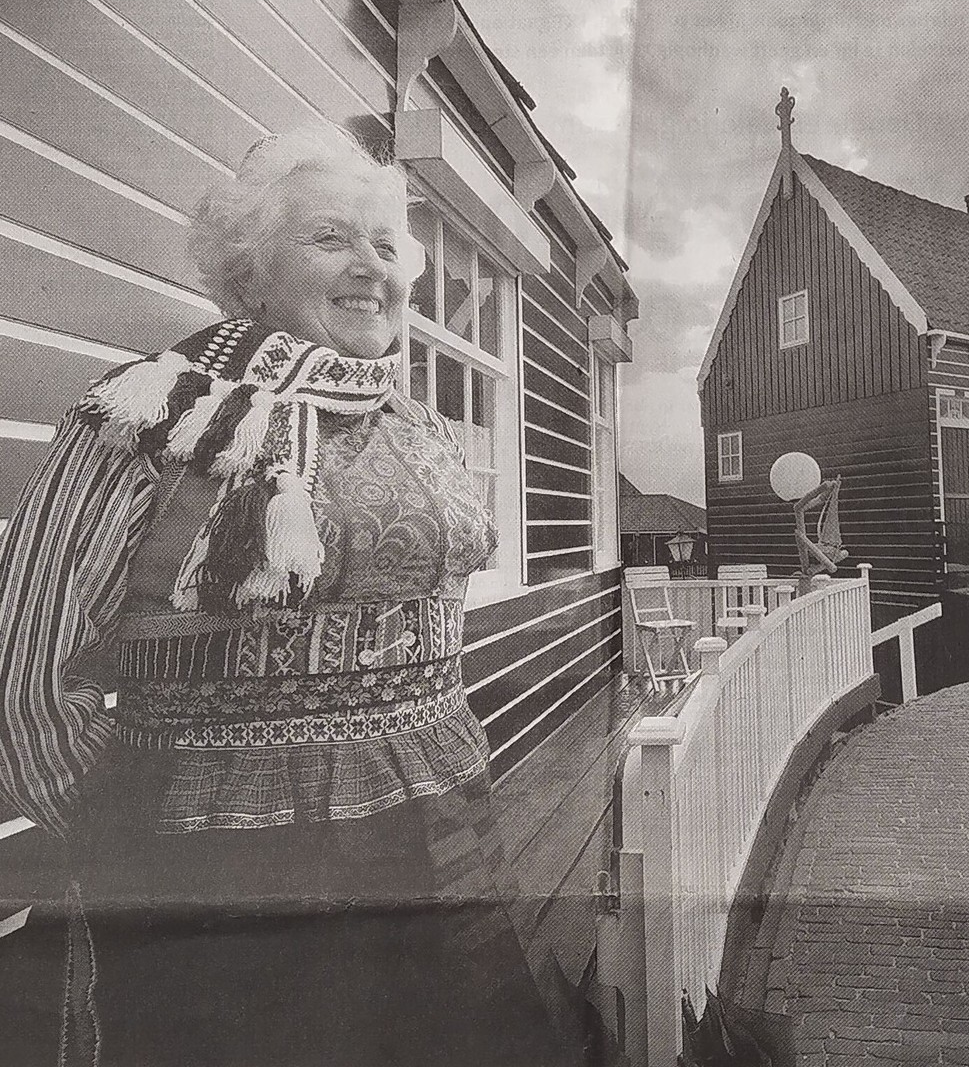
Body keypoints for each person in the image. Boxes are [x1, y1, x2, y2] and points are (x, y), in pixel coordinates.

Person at [0, 124, 577, 1066]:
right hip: (231, 864)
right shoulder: (160, 411)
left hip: (444, 828)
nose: (370, 268)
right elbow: (21, 672)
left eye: (387, 246)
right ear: (250, 269)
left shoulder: (417, 424)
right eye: (330, 239)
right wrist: (125, 833)